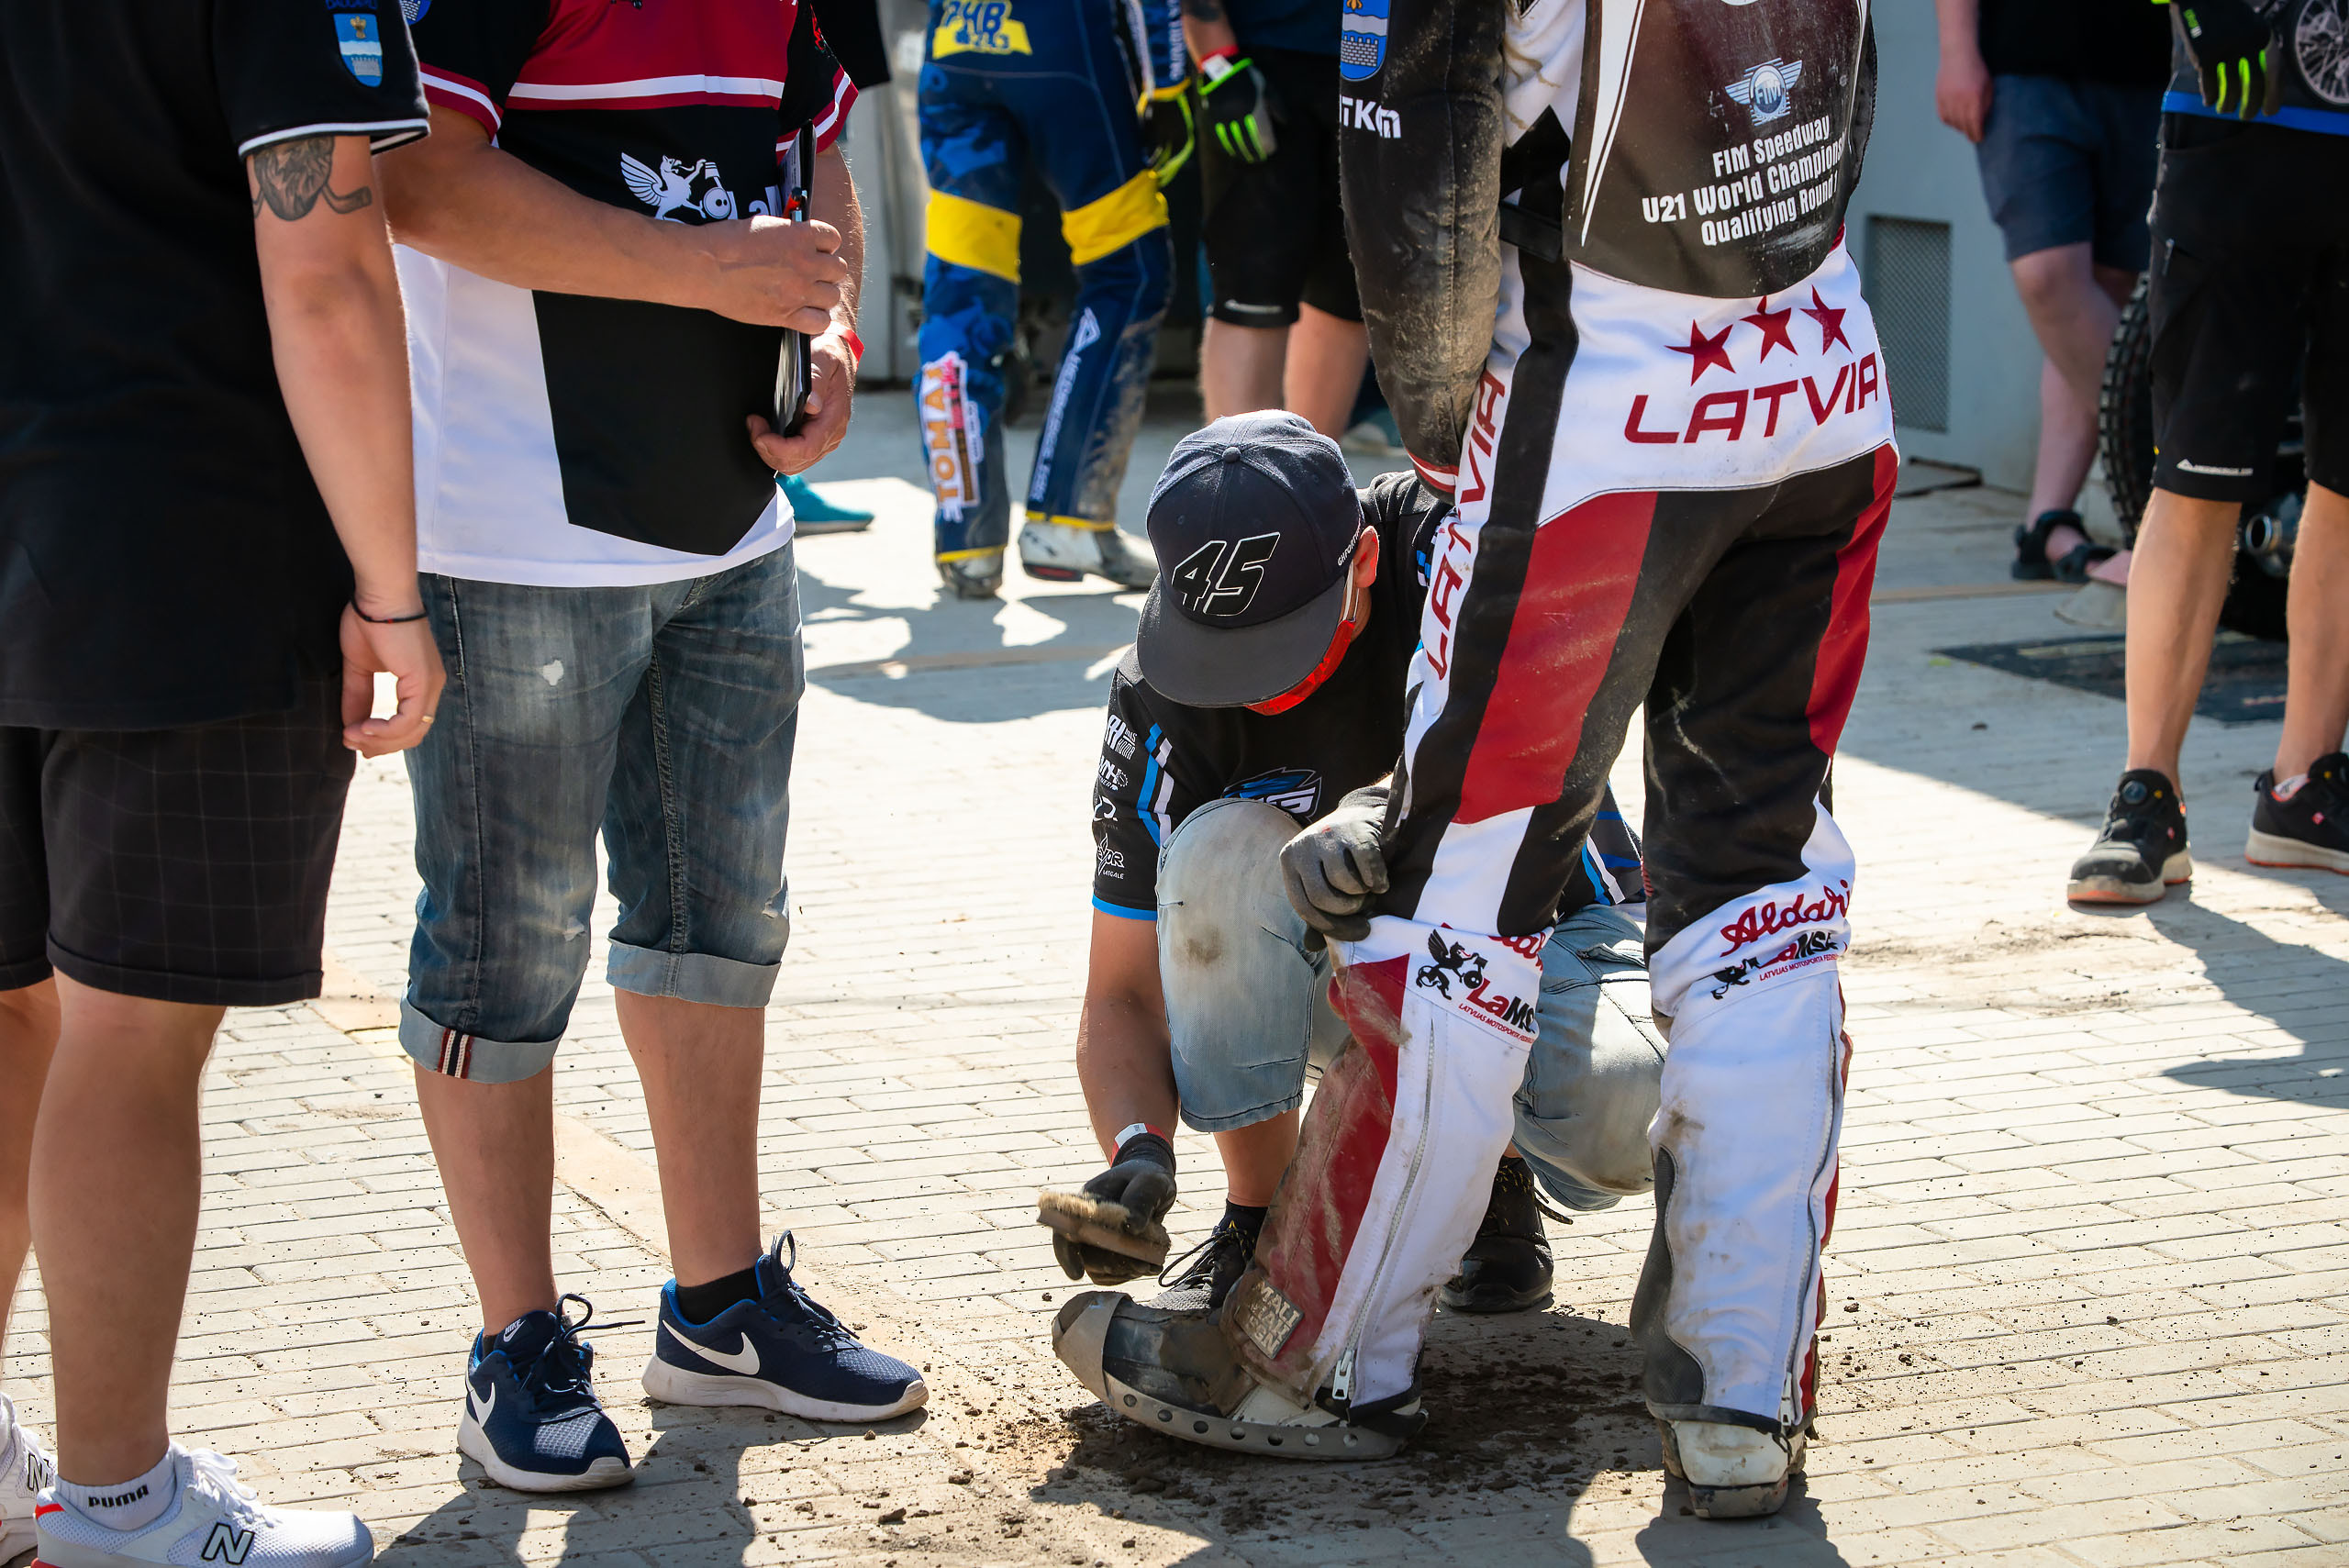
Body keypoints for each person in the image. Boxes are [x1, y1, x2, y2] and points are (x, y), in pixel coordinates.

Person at [1056, 0, 1898, 1521]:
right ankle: (1742, 1395)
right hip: (1824, 383)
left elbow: (1415, 146)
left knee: (1448, 900)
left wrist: (1458, 437)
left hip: (1596, 409)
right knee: (1767, 894)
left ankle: (1306, 1357)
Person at [378, 0, 925, 1496]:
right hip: (511, 543)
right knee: (505, 941)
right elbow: (418, 180)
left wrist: (828, 327)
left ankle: (720, 1305)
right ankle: (516, 1343)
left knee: (723, 921)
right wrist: (706, 272)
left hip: (732, 534)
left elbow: (817, 153)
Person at [2, 1, 443, 1562]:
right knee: (125, 1032)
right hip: (166, 542)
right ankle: (117, 1501)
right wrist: (393, 589)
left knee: (12, 1011)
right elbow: (326, 270)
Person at [1054, 413, 1660, 1320]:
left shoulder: (1456, 553)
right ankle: (1260, 1224)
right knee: (1217, 853)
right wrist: (1138, 1150)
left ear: (1364, 563)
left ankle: (1495, 1179)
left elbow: (1540, 757)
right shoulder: (1158, 691)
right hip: (1353, 977)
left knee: (1630, 1106)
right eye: (1224, 652)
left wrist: (1380, 810)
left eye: (1278, 646)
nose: (1251, 683)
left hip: (1556, 927)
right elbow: (1123, 993)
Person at [2066, 0, 2349, 902]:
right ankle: (2147, 796)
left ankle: (2304, 792)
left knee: (2346, 482)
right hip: (2237, 126)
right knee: (2195, 475)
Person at [916, 0, 1190, 595]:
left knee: (962, 289)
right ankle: (1067, 519)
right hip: (1060, 44)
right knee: (1129, 271)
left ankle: (967, 540)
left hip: (956, 40)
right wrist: (1167, 85)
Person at [1932, 0, 2169, 584]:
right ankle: (2176, 487)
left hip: (2148, 69)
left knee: (2106, 290)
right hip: (2022, 66)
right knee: (2050, 279)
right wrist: (1958, 52)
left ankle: (2048, 523)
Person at [1186, 0, 1369, 438]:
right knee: (1251, 297)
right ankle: (1230, 488)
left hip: (1376, 55)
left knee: (1347, 294)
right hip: (1261, 50)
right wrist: (1215, 61)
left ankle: (1311, 485)